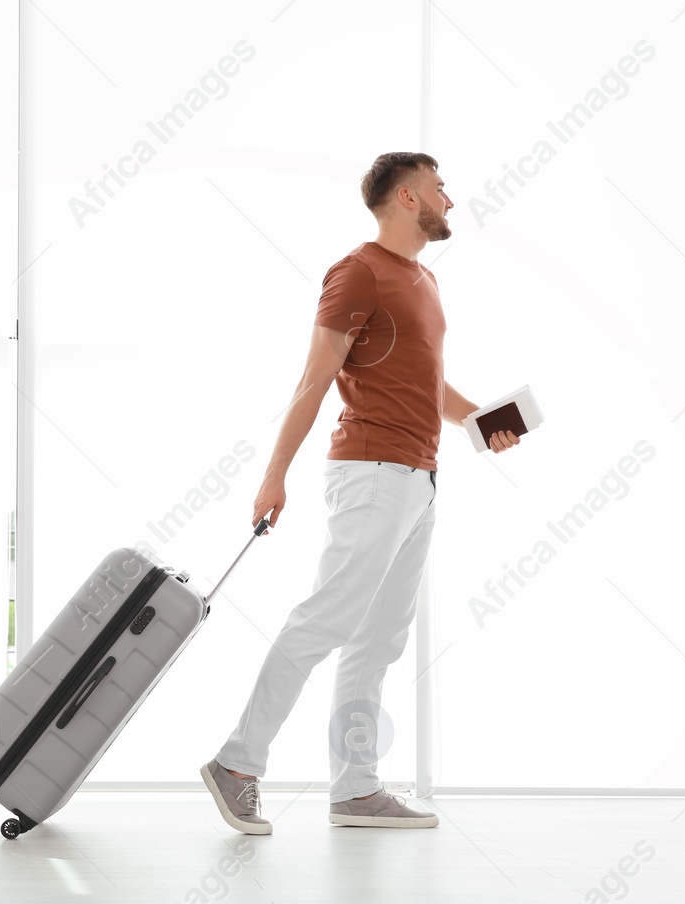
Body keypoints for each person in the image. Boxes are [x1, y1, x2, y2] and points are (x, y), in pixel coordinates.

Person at [201, 151, 520, 834]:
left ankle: (355, 787)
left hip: (419, 476)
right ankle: (237, 762)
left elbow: (425, 382)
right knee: (327, 619)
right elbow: (313, 380)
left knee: (378, 639)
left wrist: (480, 422)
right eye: (440, 188)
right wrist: (272, 474)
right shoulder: (358, 273)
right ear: (407, 198)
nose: (450, 201)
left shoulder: (424, 280)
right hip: (371, 470)